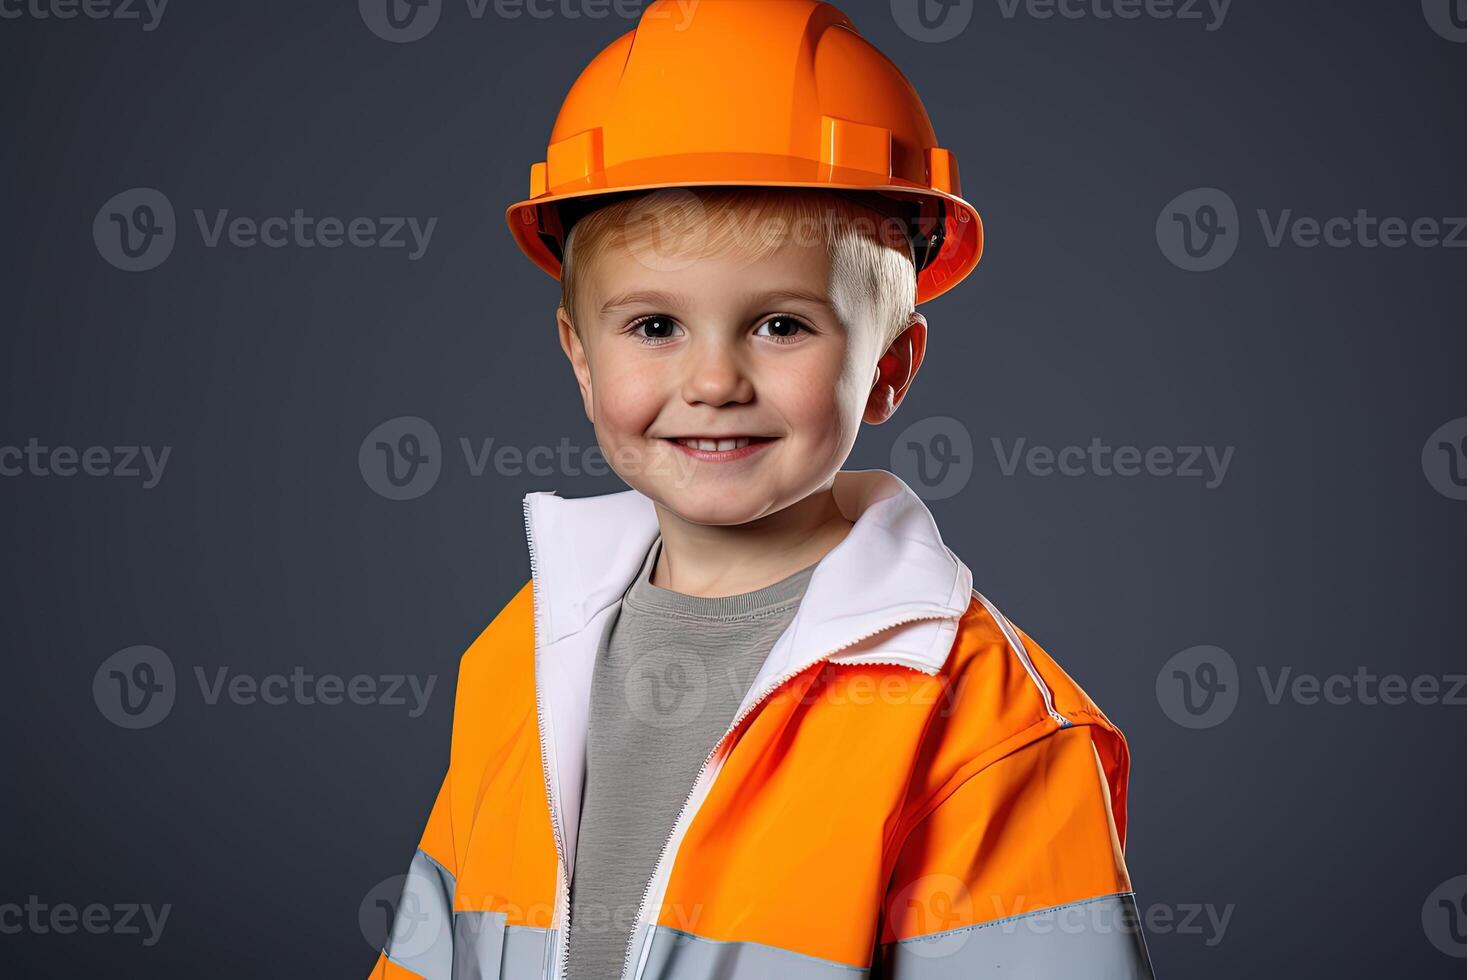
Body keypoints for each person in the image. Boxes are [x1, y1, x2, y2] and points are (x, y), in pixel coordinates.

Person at [370, 2, 1155, 978]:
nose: (712, 381)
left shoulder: (983, 728)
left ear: (890, 363)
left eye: (781, 325)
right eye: (654, 326)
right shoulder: (518, 657)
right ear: (577, 352)